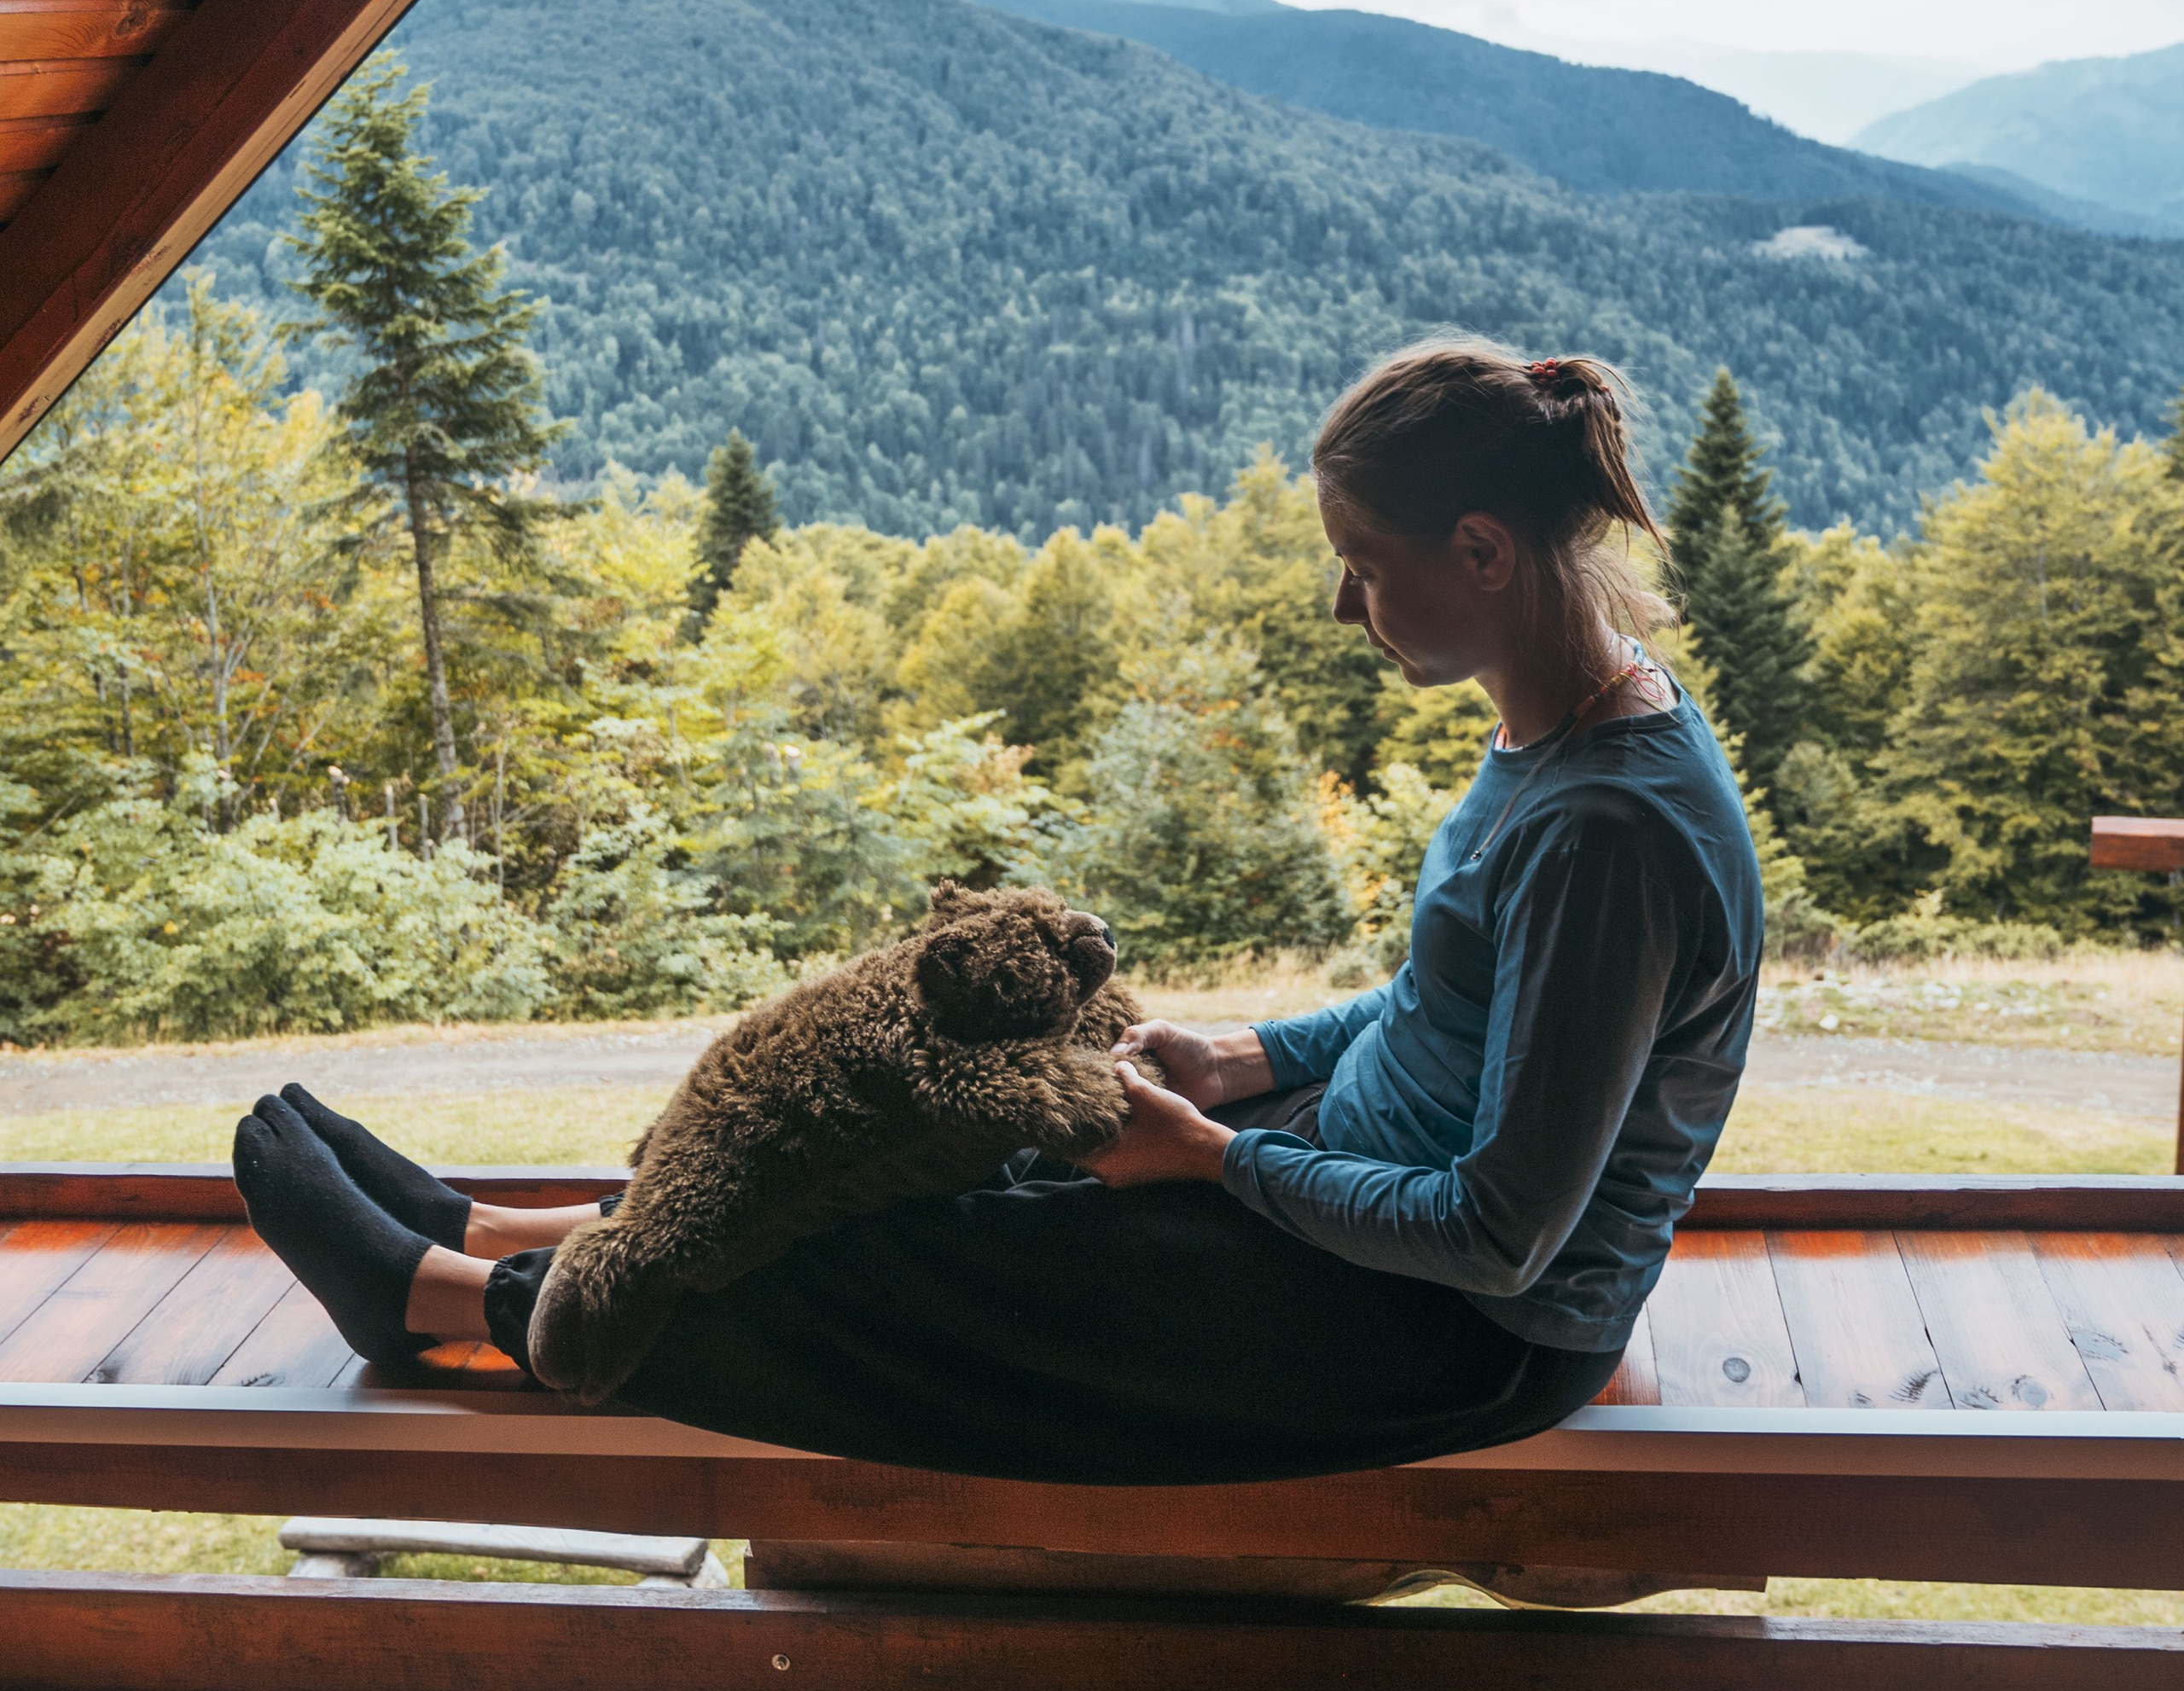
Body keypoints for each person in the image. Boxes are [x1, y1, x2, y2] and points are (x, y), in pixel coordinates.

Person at [235, 337, 1763, 1488]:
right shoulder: (1561, 733)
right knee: (977, 1142)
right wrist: (1244, 1058)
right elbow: (1446, 1000)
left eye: (1362, 568)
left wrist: (1221, 1163)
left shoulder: (1607, 833)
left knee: (918, 1287)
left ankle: (443, 1296)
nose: (1344, 608)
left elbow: (1502, 1239)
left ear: (1483, 554)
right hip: (1344, 1199)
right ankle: (522, 1230)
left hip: (1456, 1339)